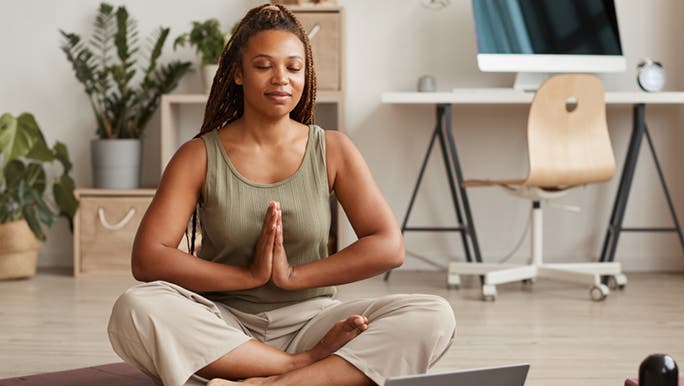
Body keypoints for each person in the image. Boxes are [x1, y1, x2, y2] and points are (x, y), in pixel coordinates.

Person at [107, 4, 455, 386]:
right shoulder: (198, 155)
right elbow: (148, 258)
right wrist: (248, 276)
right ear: (238, 73)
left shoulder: (333, 149)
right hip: (224, 325)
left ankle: (268, 382)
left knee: (433, 314)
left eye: (293, 67)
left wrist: (291, 276)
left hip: (313, 320)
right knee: (136, 308)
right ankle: (300, 368)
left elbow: (389, 246)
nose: (281, 79)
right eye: (263, 66)